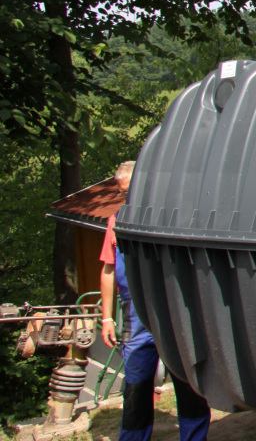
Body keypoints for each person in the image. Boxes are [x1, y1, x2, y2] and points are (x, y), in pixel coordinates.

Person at [100, 161, 212, 441]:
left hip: (173, 310)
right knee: (136, 386)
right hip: (135, 315)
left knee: (188, 382)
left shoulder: (168, 216)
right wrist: (106, 317)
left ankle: (194, 437)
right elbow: (108, 269)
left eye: (132, 190)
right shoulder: (115, 220)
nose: (129, 198)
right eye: (123, 192)